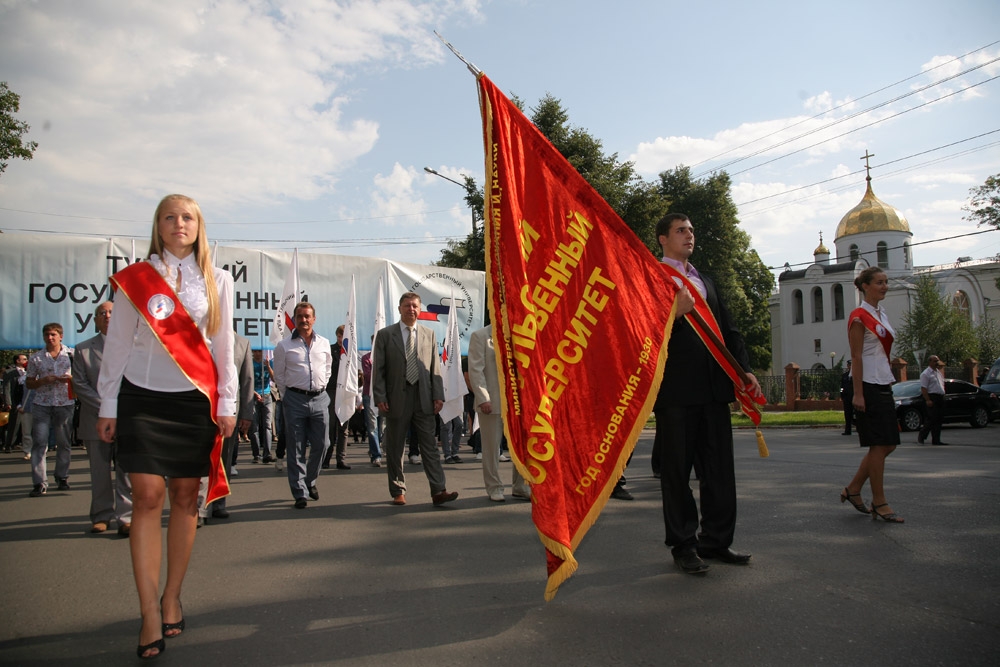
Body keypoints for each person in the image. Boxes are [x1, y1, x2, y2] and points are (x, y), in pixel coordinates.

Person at [96, 194, 237, 659]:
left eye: (188, 217)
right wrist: (108, 403)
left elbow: (223, 344)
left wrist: (228, 402)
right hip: (140, 396)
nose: (180, 223)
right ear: (157, 226)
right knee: (147, 496)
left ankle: (172, 594)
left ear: (199, 226)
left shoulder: (218, 280)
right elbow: (117, 343)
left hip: (194, 402)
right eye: (170, 217)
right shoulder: (137, 279)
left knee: (183, 498)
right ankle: (148, 612)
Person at [653, 213, 757, 575]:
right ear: (662, 239)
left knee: (718, 472)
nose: (689, 236)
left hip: (715, 390)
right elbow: (640, 335)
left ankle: (716, 540)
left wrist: (744, 371)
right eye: (681, 230)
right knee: (677, 473)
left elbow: (729, 330)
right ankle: (683, 545)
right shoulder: (652, 278)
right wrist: (674, 316)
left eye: (691, 230)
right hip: (676, 393)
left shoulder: (705, 280)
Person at [372, 291, 458, 506]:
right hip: (395, 399)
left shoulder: (429, 334)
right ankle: (398, 490)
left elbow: (434, 368)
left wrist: (438, 395)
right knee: (395, 447)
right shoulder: (385, 335)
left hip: (424, 398)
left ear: (420, 310)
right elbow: (379, 369)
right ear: (400, 309)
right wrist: (380, 396)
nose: (411, 309)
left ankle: (439, 490)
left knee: (429, 446)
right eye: (407, 305)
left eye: (415, 306)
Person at [842, 266, 903, 523]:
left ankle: (854, 489)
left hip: (882, 382)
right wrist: (858, 394)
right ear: (865, 285)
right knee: (879, 445)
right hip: (867, 385)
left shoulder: (881, 314)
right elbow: (856, 356)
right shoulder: (859, 316)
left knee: (888, 443)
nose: (885, 286)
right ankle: (879, 502)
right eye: (879, 282)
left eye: (886, 282)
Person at [71, 301, 133, 535]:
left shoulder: (134, 346)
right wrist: (107, 408)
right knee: (99, 472)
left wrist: (120, 410)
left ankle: (126, 516)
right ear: (95, 320)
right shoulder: (83, 349)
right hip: (95, 420)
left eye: (112, 312)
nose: (107, 316)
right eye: (102, 313)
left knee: (126, 471)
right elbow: (80, 384)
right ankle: (101, 516)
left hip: (126, 419)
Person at [272, 302, 333, 510]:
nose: (303, 320)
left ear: (314, 319)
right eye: (299, 316)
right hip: (295, 400)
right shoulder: (283, 346)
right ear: (294, 320)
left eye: (307, 316)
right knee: (296, 447)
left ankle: (310, 480)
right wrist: (287, 396)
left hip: (320, 398)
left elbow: (327, 370)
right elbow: (279, 375)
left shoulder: (324, 343)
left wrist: (320, 387)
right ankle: (300, 492)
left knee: (322, 444)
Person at [467, 324, 530, 502]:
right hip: (492, 402)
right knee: (492, 448)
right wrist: (483, 398)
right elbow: (476, 370)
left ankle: (520, 486)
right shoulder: (481, 336)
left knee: (521, 447)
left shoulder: (520, 332)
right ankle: (494, 487)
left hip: (518, 403)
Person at [199, 333, 254, 525]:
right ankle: (199, 507)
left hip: (230, 412)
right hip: (201, 409)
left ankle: (219, 502)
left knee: (224, 458)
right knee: (202, 457)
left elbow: (247, 380)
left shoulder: (242, 344)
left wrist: (247, 414)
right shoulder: (200, 337)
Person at [26, 322, 75, 496]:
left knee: (63, 443)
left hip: (65, 403)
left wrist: (70, 379)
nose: (50, 337)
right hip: (42, 403)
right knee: (39, 442)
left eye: (53, 334)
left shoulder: (71, 355)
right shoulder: (36, 358)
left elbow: (82, 378)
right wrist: (42, 381)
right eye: (47, 334)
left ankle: (62, 477)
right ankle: (39, 482)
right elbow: (29, 382)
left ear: (61, 336)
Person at [323, 324, 351, 471]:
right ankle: (326, 458)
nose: (341, 339)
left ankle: (341, 459)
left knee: (343, 428)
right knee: (331, 426)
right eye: (339, 336)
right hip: (332, 390)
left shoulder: (350, 352)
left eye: (343, 336)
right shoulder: (330, 349)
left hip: (345, 392)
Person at [249, 349, 274, 464]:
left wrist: (268, 366)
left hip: (267, 396)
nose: (257, 354)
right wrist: (255, 393)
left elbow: (274, 379)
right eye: (255, 352)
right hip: (254, 396)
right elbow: (246, 381)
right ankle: (256, 454)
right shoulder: (250, 363)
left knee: (267, 425)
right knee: (254, 427)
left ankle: (267, 453)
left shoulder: (268, 362)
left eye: (259, 351)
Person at [360, 340, 384, 467]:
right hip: (369, 395)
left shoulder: (387, 357)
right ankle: (376, 455)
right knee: (372, 426)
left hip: (384, 395)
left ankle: (378, 447)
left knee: (382, 426)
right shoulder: (366, 358)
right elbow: (368, 376)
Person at [3, 353, 30, 456]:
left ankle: (22, 443)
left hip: (27, 402)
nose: (26, 361)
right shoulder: (10, 373)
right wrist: (8, 403)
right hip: (16, 402)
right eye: (24, 359)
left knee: (27, 425)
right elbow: (7, 388)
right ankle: (9, 445)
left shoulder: (28, 372)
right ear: (17, 361)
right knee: (14, 424)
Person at [917, 355, 947, 446]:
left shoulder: (938, 372)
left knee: (938, 419)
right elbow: (924, 388)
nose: (937, 363)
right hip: (932, 397)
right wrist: (927, 400)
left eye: (937, 361)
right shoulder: (926, 373)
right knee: (931, 419)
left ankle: (936, 440)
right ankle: (922, 436)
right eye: (935, 361)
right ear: (930, 362)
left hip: (939, 398)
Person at [840, 360, 854, 436]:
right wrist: (841, 393)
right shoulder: (844, 375)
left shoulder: (857, 375)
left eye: (851, 365)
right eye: (849, 365)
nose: (850, 366)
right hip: (847, 398)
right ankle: (848, 430)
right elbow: (841, 387)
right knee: (847, 414)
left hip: (855, 397)